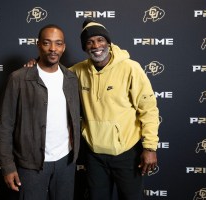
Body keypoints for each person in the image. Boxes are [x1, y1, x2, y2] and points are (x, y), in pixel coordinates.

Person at [26, 19, 159, 200]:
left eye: (100, 40)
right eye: (90, 42)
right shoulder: (77, 72)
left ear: (108, 42)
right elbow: (52, 71)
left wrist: (150, 147)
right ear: (85, 47)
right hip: (95, 155)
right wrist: (35, 65)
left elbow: (149, 109)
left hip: (127, 153)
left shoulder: (131, 68)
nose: (96, 45)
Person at [0, 24, 80, 200]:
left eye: (58, 44)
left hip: (66, 161)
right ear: (38, 45)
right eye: (47, 43)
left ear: (63, 47)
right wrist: (8, 166)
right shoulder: (19, 78)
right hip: (30, 164)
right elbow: (5, 125)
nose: (52, 49)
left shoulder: (71, 78)